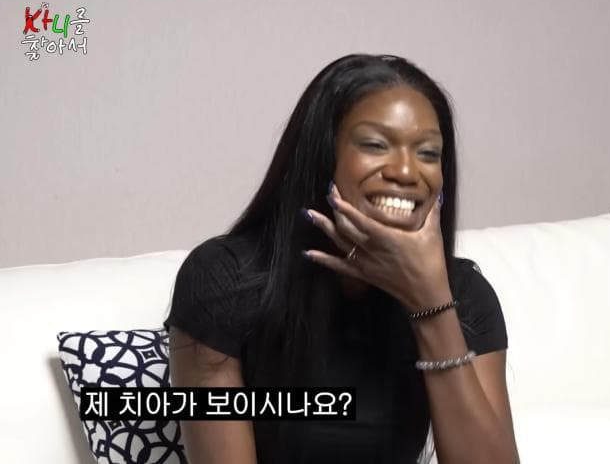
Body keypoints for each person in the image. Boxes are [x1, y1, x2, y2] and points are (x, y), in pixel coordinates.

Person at [165, 53, 518, 464]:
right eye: (375, 145)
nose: (406, 172)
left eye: (427, 153)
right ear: (322, 157)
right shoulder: (225, 281)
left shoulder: (464, 295)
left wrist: (430, 304)